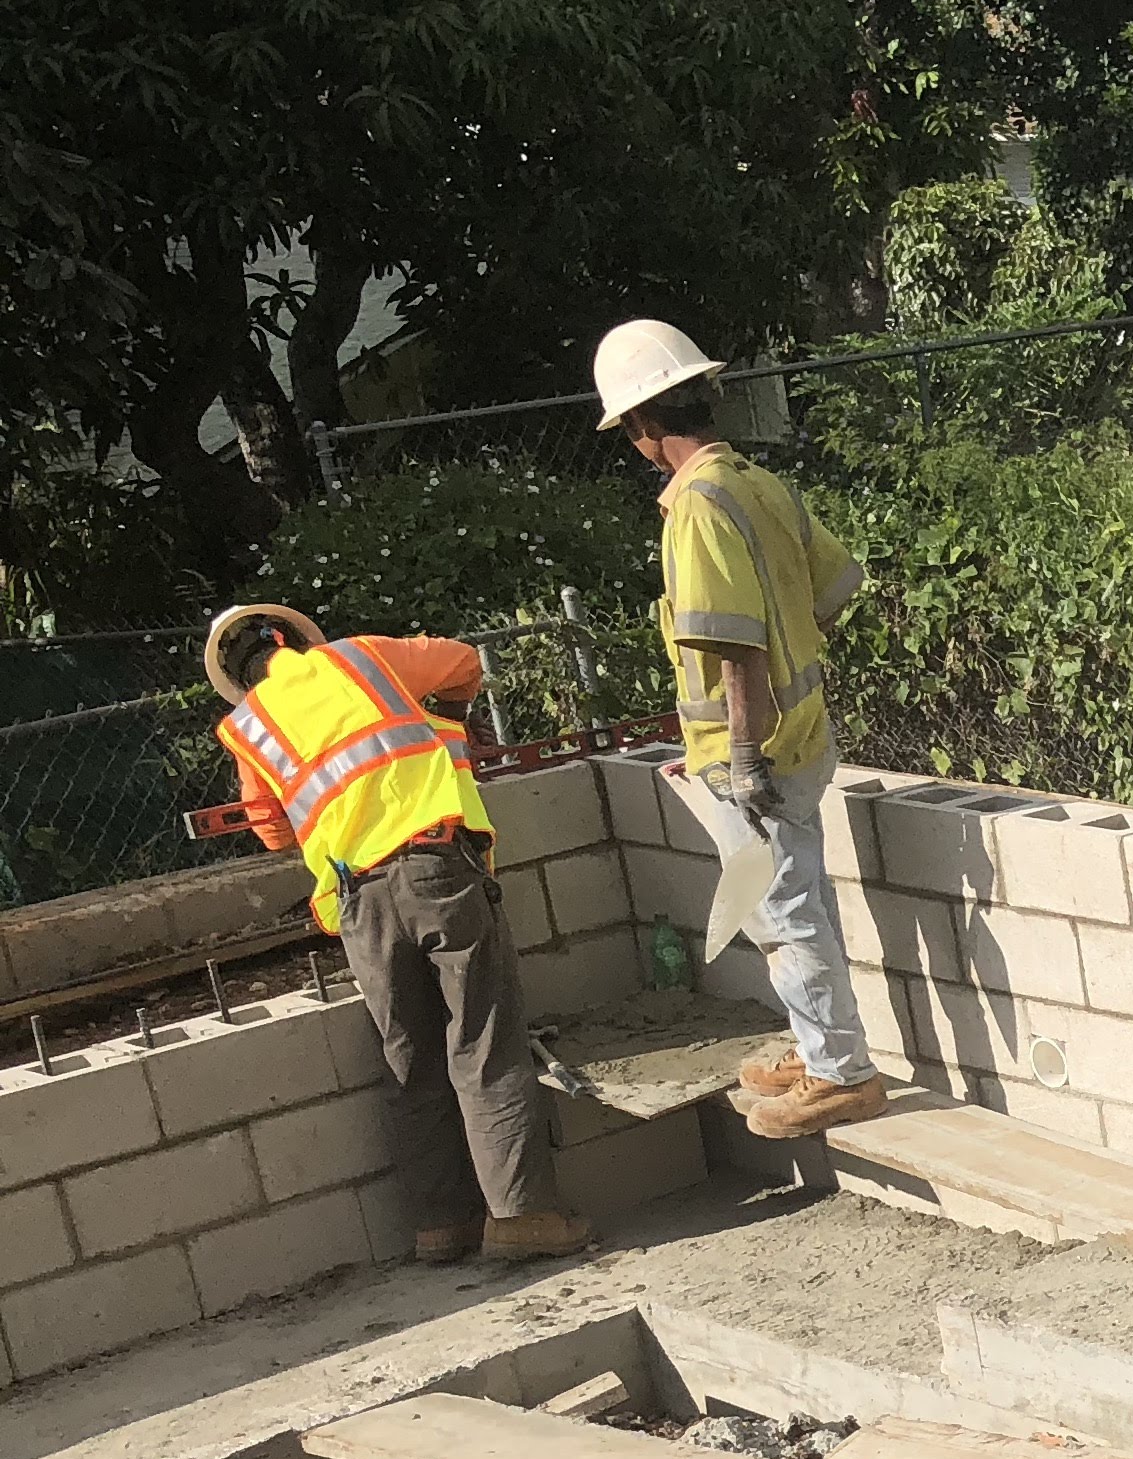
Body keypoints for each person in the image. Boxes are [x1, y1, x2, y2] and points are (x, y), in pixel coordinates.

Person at [204, 605, 589, 1265]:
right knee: (484, 1044)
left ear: (240, 679)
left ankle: (440, 1227)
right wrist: (449, 719)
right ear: (293, 638)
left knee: (410, 1063)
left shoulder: (247, 730)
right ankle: (522, 1217)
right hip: (436, 870)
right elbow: (464, 662)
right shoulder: (361, 658)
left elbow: (271, 831)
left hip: (358, 900)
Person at [590, 317, 891, 1139]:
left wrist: (744, 754)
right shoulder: (758, 483)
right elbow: (833, 591)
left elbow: (735, 648)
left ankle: (841, 1075)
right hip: (801, 737)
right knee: (799, 902)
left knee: (785, 917)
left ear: (644, 423)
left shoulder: (697, 507)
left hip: (757, 757)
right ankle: (822, 1046)